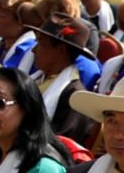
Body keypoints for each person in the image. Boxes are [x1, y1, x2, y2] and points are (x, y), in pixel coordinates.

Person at [29, 16, 104, 148]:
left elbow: (61, 144)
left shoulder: (74, 97)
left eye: (40, 44)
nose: (33, 50)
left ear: (61, 50)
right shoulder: (36, 80)